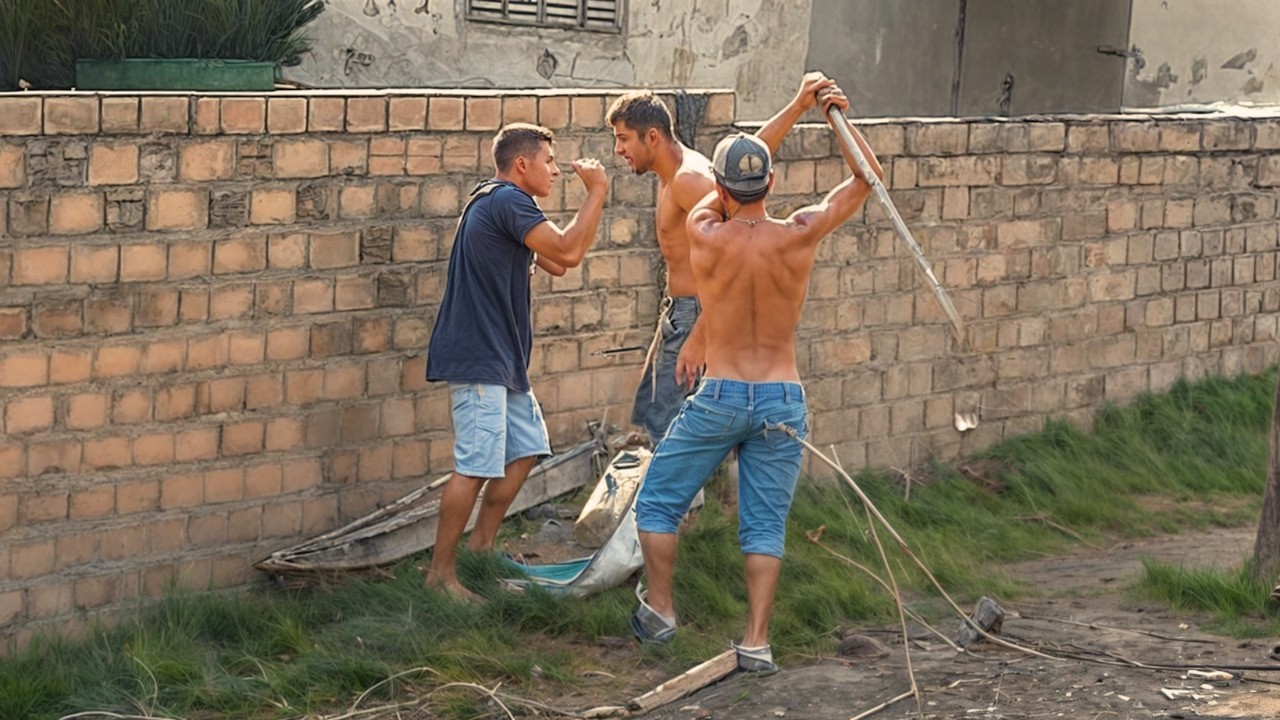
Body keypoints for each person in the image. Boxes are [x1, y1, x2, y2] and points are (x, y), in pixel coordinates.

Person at [631, 80, 884, 675]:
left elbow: (722, 189)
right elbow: (866, 178)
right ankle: (756, 641)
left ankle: (661, 612)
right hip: (781, 397)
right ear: (772, 184)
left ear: (720, 190)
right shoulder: (800, 231)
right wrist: (834, 116)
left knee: (658, 502)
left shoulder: (703, 229)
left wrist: (792, 110)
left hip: (721, 394)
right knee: (765, 525)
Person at [424, 123, 608, 603]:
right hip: (480, 357)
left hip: (502, 359)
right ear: (522, 164)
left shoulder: (500, 205)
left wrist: (588, 207)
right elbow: (568, 250)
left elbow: (560, 262)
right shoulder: (507, 200)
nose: (555, 170)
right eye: (549, 161)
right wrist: (597, 192)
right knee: (475, 466)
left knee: (525, 449)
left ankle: (481, 549)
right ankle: (440, 578)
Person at [607, 74, 842, 444]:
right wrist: (797, 107)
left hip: (696, 314)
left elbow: (738, 256)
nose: (618, 149)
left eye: (623, 139)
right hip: (680, 313)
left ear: (651, 136)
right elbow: (747, 162)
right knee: (659, 423)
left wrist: (699, 336)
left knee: (671, 434)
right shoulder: (674, 175)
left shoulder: (688, 180)